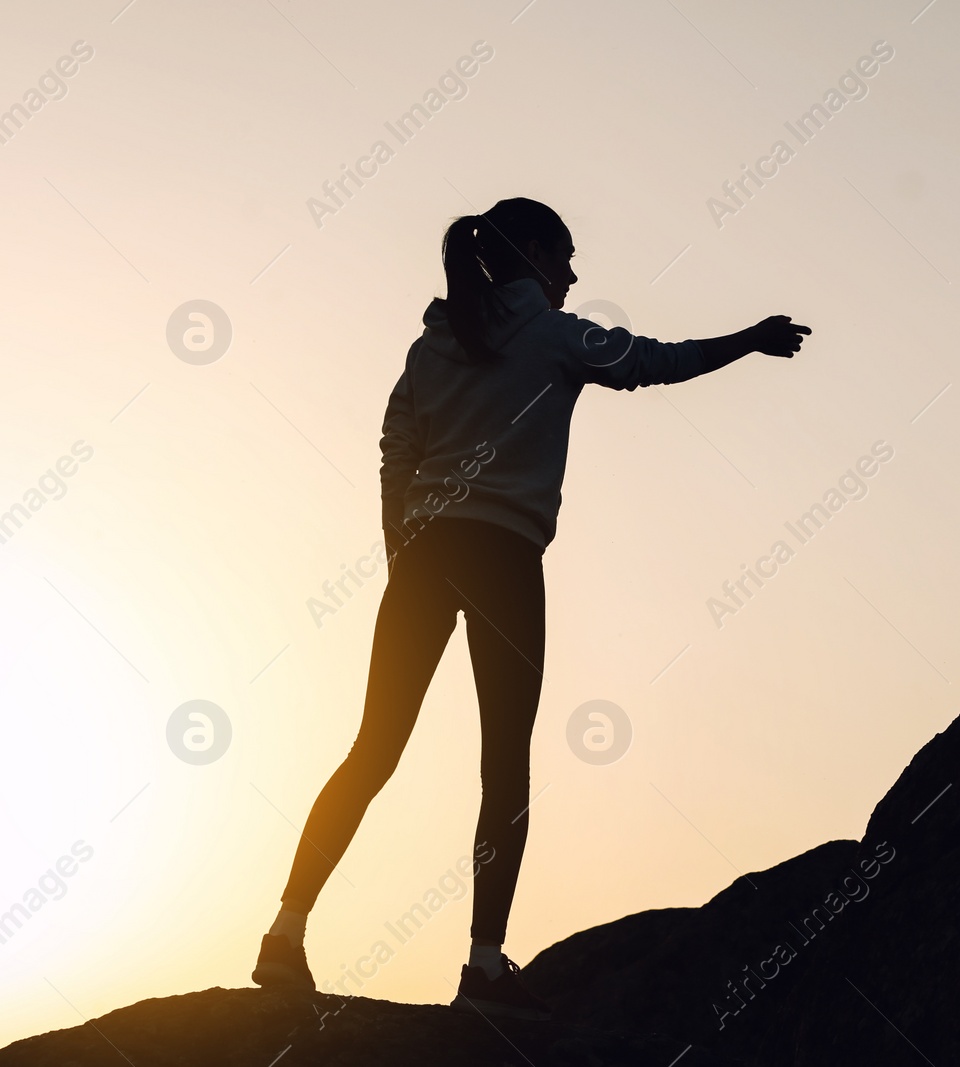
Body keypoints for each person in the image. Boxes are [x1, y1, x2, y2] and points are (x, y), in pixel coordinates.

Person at [251, 197, 811, 1018]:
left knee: (372, 750)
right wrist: (749, 339)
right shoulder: (554, 334)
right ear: (538, 257)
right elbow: (656, 360)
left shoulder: (432, 342)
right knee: (503, 764)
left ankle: (284, 933)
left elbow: (394, 451)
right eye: (568, 256)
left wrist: (400, 552)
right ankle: (483, 966)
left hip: (425, 557)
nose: (576, 274)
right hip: (505, 562)